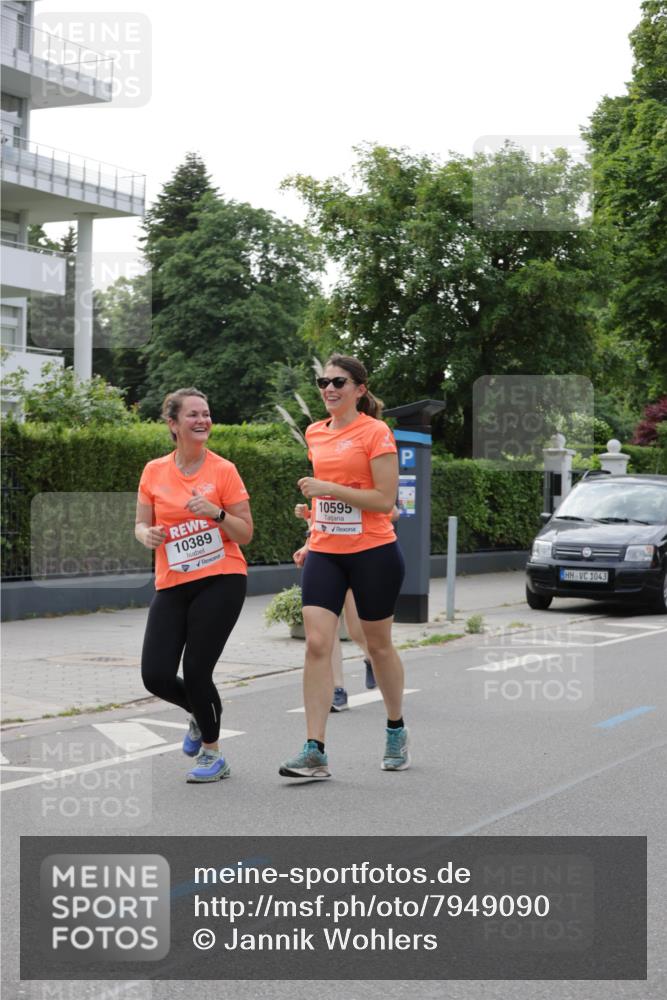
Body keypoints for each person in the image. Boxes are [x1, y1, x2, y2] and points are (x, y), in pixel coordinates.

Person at [279, 355, 409, 780]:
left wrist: (328, 488)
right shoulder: (315, 432)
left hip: (373, 552)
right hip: (326, 551)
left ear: (359, 389)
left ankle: (395, 728)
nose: (329, 389)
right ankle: (314, 749)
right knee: (317, 643)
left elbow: (384, 501)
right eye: (323, 382)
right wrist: (312, 525)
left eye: (338, 382)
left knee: (378, 645)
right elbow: (329, 501)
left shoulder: (375, 432)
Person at [135, 388, 253, 783]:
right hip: (172, 581)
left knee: (197, 669)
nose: (203, 420)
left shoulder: (224, 470)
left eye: (206, 413)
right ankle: (199, 713)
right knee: (155, 675)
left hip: (221, 578)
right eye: (193, 415)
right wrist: (147, 535)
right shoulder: (154, 471)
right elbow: (141, 523)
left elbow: (245, 533)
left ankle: (213, 754)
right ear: (173, 424)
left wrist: (216, 513)